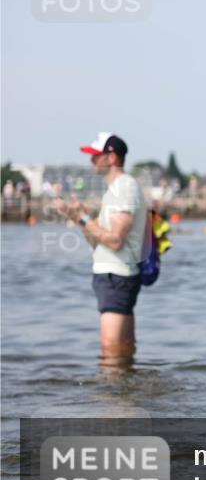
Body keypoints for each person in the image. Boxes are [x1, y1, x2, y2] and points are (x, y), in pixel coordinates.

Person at [52, 133, 147, 366]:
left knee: (110, 351)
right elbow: (98, 242)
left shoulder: (124, 187)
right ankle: (125, 388)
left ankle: (111, 390)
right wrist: (78, 218)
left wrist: (84, 217)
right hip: (116, 275)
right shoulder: (116, 190)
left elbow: (115, 241)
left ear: (111, 157)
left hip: (116, 276)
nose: (91, 160)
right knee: (121, 351)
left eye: (96, 156)